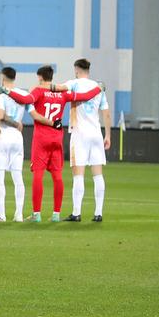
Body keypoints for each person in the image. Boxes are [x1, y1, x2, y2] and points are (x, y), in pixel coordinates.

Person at [6, 66, 96, 222]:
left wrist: (7, 91)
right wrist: (99, 88)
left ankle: (37, 214)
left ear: (40, 77)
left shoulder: (39, 91)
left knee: (38, 175)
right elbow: (86, 96)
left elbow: (25, 100)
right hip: (57, 138)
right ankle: (56, 214)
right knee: (57, 176)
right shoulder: (62, 93)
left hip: (41, 138)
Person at [63, 58, 110, 223]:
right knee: (98, 174)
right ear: (88, 70)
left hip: (79, 134)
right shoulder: (98, 87)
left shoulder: (73, 83)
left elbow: (60, 89)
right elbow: (106, 113)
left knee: (78, 175)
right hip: (96, 134)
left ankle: (76, 213)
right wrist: (108, 135)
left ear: (77, 69)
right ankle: (98, 213)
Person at [0, 67, 29, 222]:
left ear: (3, 78)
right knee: (18, 177)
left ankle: (1, 214)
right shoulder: (23, 94)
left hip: (2, 137)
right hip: (17, 138)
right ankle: (19, 214)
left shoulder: (0, 95)